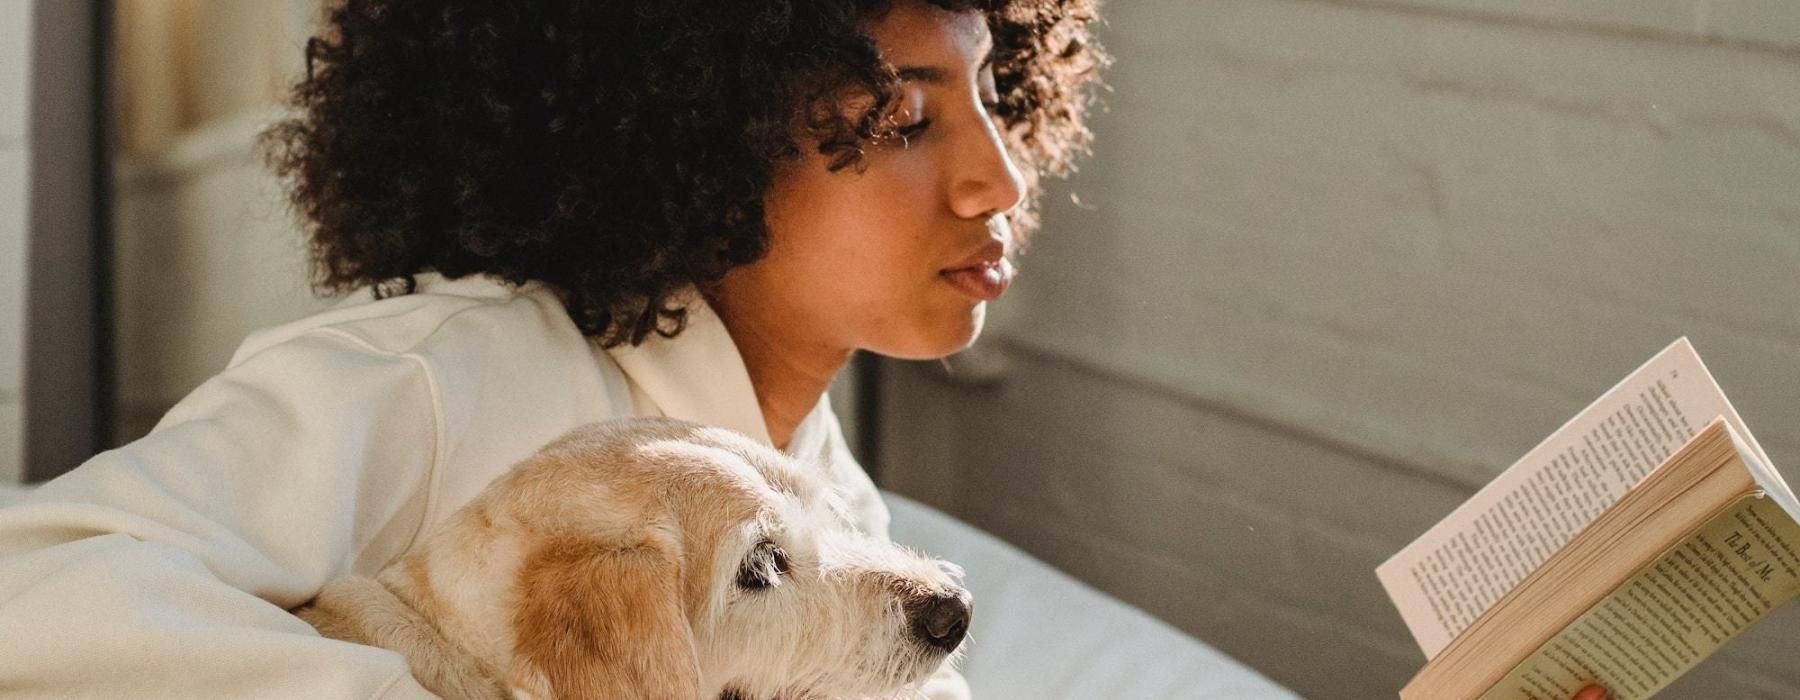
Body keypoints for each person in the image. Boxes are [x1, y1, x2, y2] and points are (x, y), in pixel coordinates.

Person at [0, 0, 1103, 697]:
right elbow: (32, 586)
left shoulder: (836, 503)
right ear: (705, 133)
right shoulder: (438, 378)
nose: (1000, 177)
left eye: (997, 96)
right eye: (900, 121)